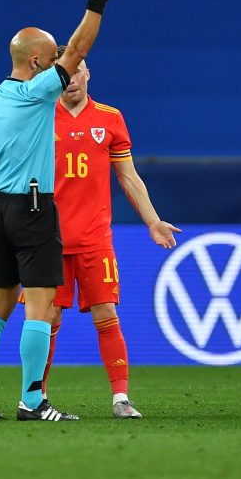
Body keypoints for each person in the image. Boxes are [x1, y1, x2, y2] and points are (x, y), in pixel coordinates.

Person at [0, 0, 112, 422]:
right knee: (40, 308)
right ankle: (32, 400)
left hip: (2, 207)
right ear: (38, 64)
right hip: (33, 206)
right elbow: (80, 46)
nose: (63, 64)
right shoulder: (37, 93)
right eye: (53, 58)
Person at [35, 49, 180, 418]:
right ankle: (36, 398)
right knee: (47, 318)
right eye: (63, 73)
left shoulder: (110, 119)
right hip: (47, 238)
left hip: (94, 238)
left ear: (88, 74)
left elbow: (128, 177)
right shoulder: (38, 116)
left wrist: (153, 221)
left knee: (106, 311)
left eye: (77, 71)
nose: (71, 80)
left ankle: (120, 399)